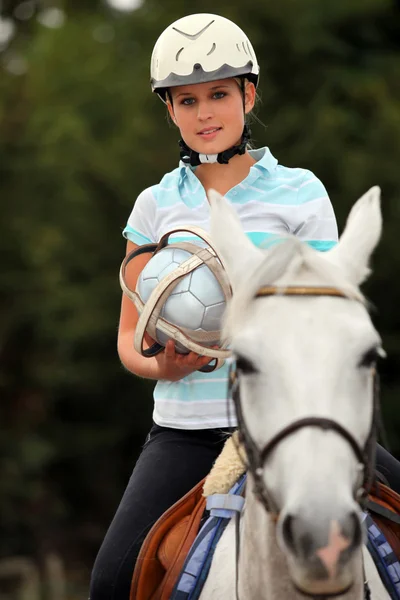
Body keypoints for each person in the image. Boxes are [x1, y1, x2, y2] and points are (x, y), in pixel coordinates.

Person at [89, 13, 400, 600]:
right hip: (189, 431)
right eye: (186, 100)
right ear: (170, 110)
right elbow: (129, 338)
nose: (204, 113)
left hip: (296, 421)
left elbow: (324, 318)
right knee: (110, 580)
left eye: (219, 94)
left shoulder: (301, 192)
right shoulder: (153, 206)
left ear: (247, 94)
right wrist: (165, 367)